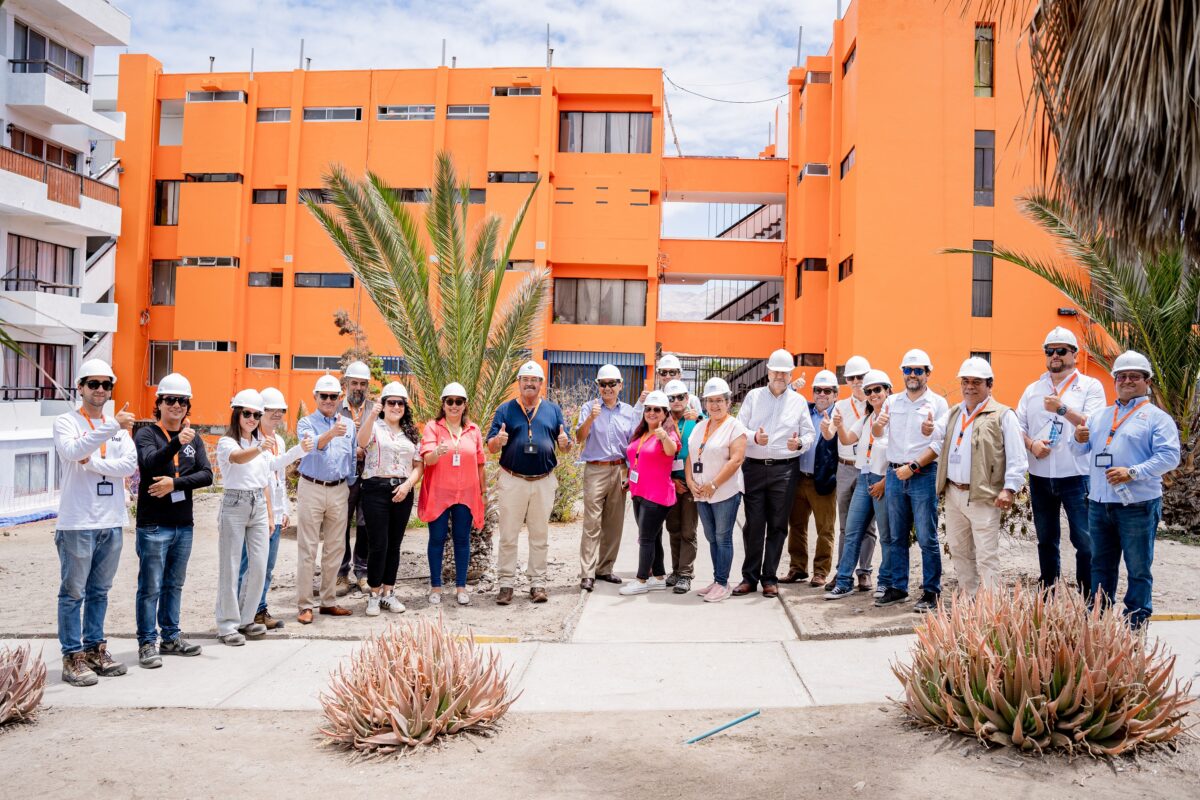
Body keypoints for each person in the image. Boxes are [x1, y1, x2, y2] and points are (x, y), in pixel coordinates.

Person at [1072, 350, 1180, 629]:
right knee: (1100, 565)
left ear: (1147, 382)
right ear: (1114, 381)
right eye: (1122, 376)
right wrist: (1078, 438)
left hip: (1137, 506)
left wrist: (1133, 472)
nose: (1127, 380)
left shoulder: (1157, 418)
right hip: (1099, 504)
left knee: (1138, 569)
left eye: (1135, 376)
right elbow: (1081, 451)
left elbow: (1169, 457)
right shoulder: (1099, 417)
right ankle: (1099, 619)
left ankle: (1136, 621)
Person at [52, 359, 137, 686]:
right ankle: (72, 656)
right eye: (93, 383)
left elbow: (128, 466)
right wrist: (110, 429)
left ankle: (94, 649)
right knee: (73, 592)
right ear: (80, 386)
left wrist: (94, 463)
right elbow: (73, 450)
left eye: (106, 384)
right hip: (76, 522)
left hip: (111, 520)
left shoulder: (116, 429)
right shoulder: (67, 421)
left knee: (100, 591)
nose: (100, 389)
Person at [924, 358, 1027, 597]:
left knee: (986, 555)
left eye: (976, 382)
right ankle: (970, 601)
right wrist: (927, 428)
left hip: (983, 497)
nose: (970, 386)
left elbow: (1017, 457)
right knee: (959, 550)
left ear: (989, 385)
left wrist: (1009, 489)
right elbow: (935, 432)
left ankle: (991, 608)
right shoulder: (954, 412)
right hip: (953, 494)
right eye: (966, 381)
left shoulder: (1003, 415)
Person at [1015, 327, 1106, 592]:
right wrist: (1031, 444)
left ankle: (1088, 593)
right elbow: (1017, 426)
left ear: (1074, 354)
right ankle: (1049, 590)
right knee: (1046, 538)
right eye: (1049, 351)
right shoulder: (1033, 389)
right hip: (1041, 476)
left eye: (1061, 351)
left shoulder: (1090, 386)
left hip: (1077, 476)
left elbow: (1094, 423)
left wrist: (1062, 409)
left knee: (1085, 540)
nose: (1054, 355)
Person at [133, 372, 212, 668]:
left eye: (182, 401)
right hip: (154, 524)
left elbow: (207, 475)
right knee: (150, 586)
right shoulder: (146, 434)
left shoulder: (194, 438)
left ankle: (170, 637)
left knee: (174, 584)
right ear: (160, 403)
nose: (177, 405)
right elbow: (150, 462)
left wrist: (175, 484)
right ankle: (146, 643)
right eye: (171, 400)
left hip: (183, 524)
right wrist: (178, 441)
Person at [487, 361, 571, 604]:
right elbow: (491, 446)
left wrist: (566, 444)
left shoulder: (553, 410)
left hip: (544, 481)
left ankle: (538, 583)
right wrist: (498, 441)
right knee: (508, 535)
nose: (530, 384)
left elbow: (564, 445)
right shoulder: (505, 410)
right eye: (525, 379)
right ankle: (506, 584)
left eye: (534, 380)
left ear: (541, 384)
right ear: (519, 383)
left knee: (539, 535)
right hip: (513, 480)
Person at [872, 349, 949, 612]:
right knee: (896, 536)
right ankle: (898, 587)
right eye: (908, 370)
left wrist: (913, 466)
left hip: (922, 475)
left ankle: (930, 592)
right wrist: (879, 423)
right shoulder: (892, 402)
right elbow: (878, 433)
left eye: (918, 370)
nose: (913, 375)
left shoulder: (937, 404)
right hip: (894, 474)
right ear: (902, 373)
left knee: (927, 537)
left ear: (928, 373)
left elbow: (939, 444)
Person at [734, 349, 814, 598]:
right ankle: (749, 577)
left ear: (790, 375)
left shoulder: (799, 402)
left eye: (785, 372)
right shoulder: (753, 397)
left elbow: (809, 435)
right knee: (754, 525)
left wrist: (799, 443)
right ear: (768, 372)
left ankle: (769, 578)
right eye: (776, 371)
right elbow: (739, 428)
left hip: (785, 470)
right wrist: (754, 437)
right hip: (754, 468)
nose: (780, 375)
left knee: (778, 526)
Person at [238, 387, 310, 630]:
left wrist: (284, 509)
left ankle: (259, 609)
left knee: (267, 567)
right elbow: (267, 473)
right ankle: (241, 612)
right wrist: (299, 450)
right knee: (249, 566)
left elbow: (279, 478)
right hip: (259, 512)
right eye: (271, 410)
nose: (277, 414)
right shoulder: (253, 441)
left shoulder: (278, 440)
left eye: (282, 410)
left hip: (276, 513)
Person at [826, 370, 893, 600]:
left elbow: (898, 455)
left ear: (887, 391)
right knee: (852, 531)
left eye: (877, 390)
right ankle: (844, 581)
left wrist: (885, 482)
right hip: (865, 477)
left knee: (886, 535)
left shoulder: (895, 419)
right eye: (869, 391)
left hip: (883, 481)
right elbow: (845, 440)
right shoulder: (866, 419)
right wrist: (839, 425)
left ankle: (885, 583)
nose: (873, 394)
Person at [357, 382, 423, 614]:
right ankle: (374, 594)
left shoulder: (411, 434)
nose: (396, 406)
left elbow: (418, 466)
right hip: (376, 489)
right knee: (378, 544)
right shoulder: (375, 427)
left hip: (402, 490)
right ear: (383, 405)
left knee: (394, 545)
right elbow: (361, 442)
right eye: (391, 402)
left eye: (400, 403)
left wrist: (407, 486)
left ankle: (389, 592)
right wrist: (372, 415)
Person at [295, 373, 356, 624]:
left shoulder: (349, 425)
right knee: (308, 548)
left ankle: (328, 601)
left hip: (339, 488)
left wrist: (349, 482)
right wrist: (331, 433)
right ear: (316, 397)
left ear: (340, 398)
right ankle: (305, 605)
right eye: (324, 396)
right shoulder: (306, 423)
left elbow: (351, 456)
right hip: (312, 487)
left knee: (336, 548)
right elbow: (311, 446)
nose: (329, 400)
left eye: (333, 396)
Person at [215, 390, 273, 645]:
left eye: (256, 415)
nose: (251, 418)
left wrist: (301, 451)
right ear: (237, 414)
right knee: (231, 565)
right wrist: (260, 447)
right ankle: (227, 625)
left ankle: (246, 619)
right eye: (247, 413)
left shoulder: (260, 444)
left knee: (259, 565)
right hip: (235, 502)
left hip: (257, 502)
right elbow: (238, 459)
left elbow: (273, 466)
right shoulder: (227, 442)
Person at [419, 383, 485, 605]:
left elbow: (480, 464)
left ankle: (461, 587)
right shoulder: (433, 428)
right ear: (443, 404)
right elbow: (427, 459)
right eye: (450, 401)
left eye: (459, 401)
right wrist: (437, 451)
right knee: (436, 539)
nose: (454, 406)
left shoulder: (473, 431)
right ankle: (436, 586)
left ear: (465, 405)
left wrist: (482, 493)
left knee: (462, 540)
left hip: (465, 494)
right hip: (439, 493)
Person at [576, 364, 638, 591]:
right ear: (598, 386)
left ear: (620, 385)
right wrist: (591, 419)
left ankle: (605, 568)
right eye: (603, 384)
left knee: (614, 523)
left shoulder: (629, 412)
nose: (608, 388)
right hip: (596, 469)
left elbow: (633, 445)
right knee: (592, 522)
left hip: (620, 468)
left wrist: (632, 472)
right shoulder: (589, 408)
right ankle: (587, 573)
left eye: (612, 383)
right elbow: (579, 437)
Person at [687, 378, 749, 603]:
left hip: (723, 493)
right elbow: (692, 455)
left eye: (719, 400)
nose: (715, 405)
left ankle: (723, 584)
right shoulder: (700, 425)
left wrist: (713, 485)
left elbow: (736, 460)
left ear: (728, 402)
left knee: (723, 538)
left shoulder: (735, 427)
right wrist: (690, 481)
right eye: (711, 401)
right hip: (701, 493)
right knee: (711, 537)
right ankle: (716, 579)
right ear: (705, 403)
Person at [618, 391, 681, 596]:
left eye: (657, 410)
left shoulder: (667, 433)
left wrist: (663, 437)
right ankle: (659, 577)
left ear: (665, 413)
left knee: (645, 538)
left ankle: (641, 579)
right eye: (649, 409)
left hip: (657, 495)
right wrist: (630, 478)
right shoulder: (642, 432)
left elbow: (671, 452)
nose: (652, 413)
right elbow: (637, 458)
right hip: (639, 492)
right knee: (653, 537)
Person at [784, 369, 840, 588]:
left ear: (835, 394)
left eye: (827, 391)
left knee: (825, 528)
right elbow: (782, 399)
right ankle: (797, 569)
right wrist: (793, 386)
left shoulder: (839, 416)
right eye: (818, 390)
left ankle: (820, 572)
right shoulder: (804, 410)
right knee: (796, 526)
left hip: (823, 480)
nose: (822, 394)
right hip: (799, 478)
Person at [829, 355, 876, 589]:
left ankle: (864, 572)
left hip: (868, 468)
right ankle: (842, 571)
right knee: (846, 525)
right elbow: (830, 435)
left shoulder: (876, 403)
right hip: (845, 467)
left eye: (861, 376)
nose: (857, 381)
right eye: (852, 377)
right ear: (846, 380)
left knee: (868, 525)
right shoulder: (840, 406)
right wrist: (830, 426)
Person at [337, 360, 372, 597]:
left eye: (362, 383)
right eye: (354, 383)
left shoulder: (375, 410)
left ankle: (363, 573)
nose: (358, 387)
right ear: (346, 384)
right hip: (343, 478)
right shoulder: (334, 409)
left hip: (368, 477)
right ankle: (341, 573)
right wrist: (353, 450)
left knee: (365, 525)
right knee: (340, 525)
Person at [664, 378, 701, 594]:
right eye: (672, 398)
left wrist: (700, 417)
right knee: (673, 528)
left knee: (688, 530)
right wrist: (671, 480)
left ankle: (686, 574)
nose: (676, 401)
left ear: (687, 398)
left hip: (690, 484)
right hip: (669, 483)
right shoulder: (663, 421)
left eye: (680, 397)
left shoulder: (697, 420)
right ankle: (676, 570)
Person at [636, 353, 702, 416]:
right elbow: (638, 422)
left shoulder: (692, 400)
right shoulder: (653, 398)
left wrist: (697, 418)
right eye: (663, 372)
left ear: (679, 375)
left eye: (672, 372)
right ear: (658, 375)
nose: (668, 376)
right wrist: (640, 403)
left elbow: (703, 425)